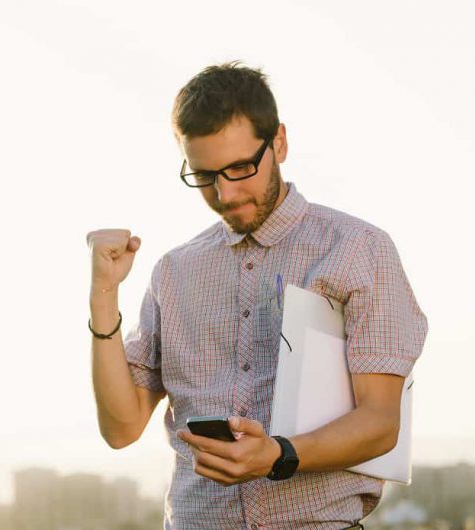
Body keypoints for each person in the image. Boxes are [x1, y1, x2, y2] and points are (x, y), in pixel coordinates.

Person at [86, 62, 428, 530]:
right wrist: (104, 295)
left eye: (240, 167)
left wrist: (277, 455)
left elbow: (380, 422)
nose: (225, 193)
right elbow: (121, 429)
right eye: (205, 176)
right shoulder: (173, 271)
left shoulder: (357, 250)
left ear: (280, 143)